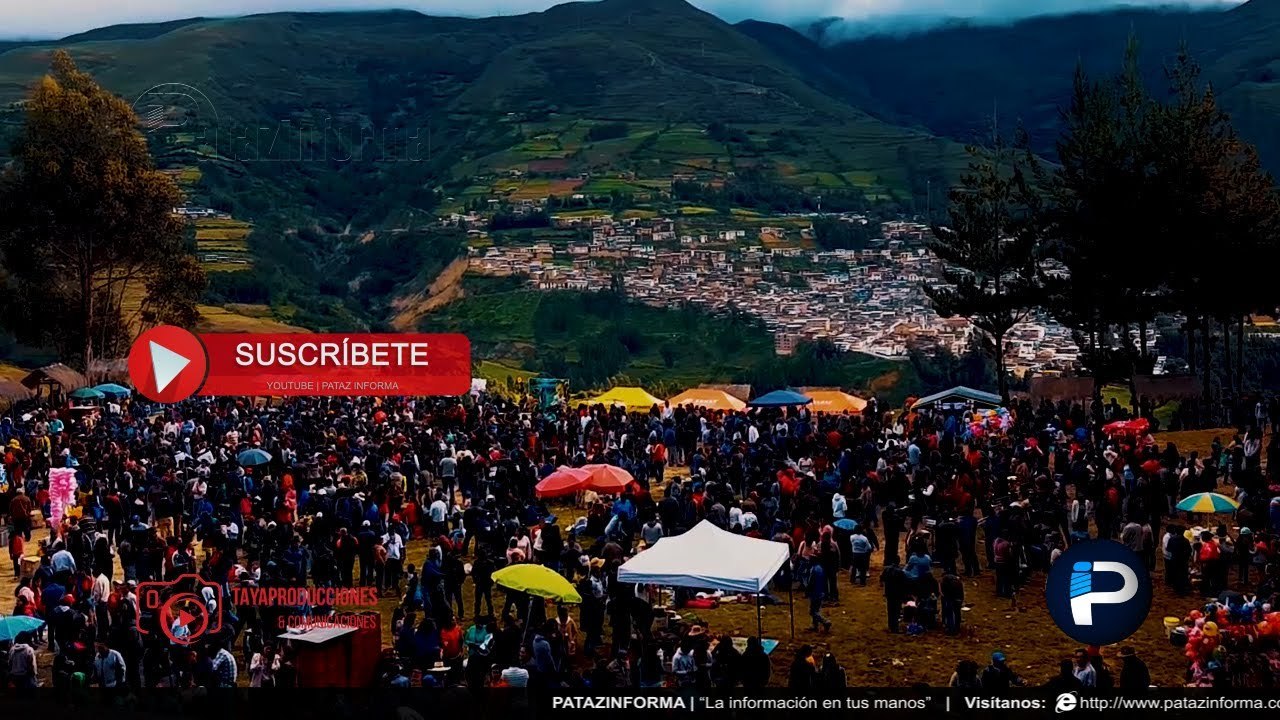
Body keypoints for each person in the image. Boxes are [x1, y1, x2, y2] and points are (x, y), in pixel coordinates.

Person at [807, 562, 832, 633]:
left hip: (815, 593)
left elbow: (811, 582)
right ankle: (815, 626)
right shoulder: (820, 568)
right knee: (816, 610)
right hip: (821, 592)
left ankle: (825, 622)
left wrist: (807, 590)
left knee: (812, 612)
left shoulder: (813, 569)